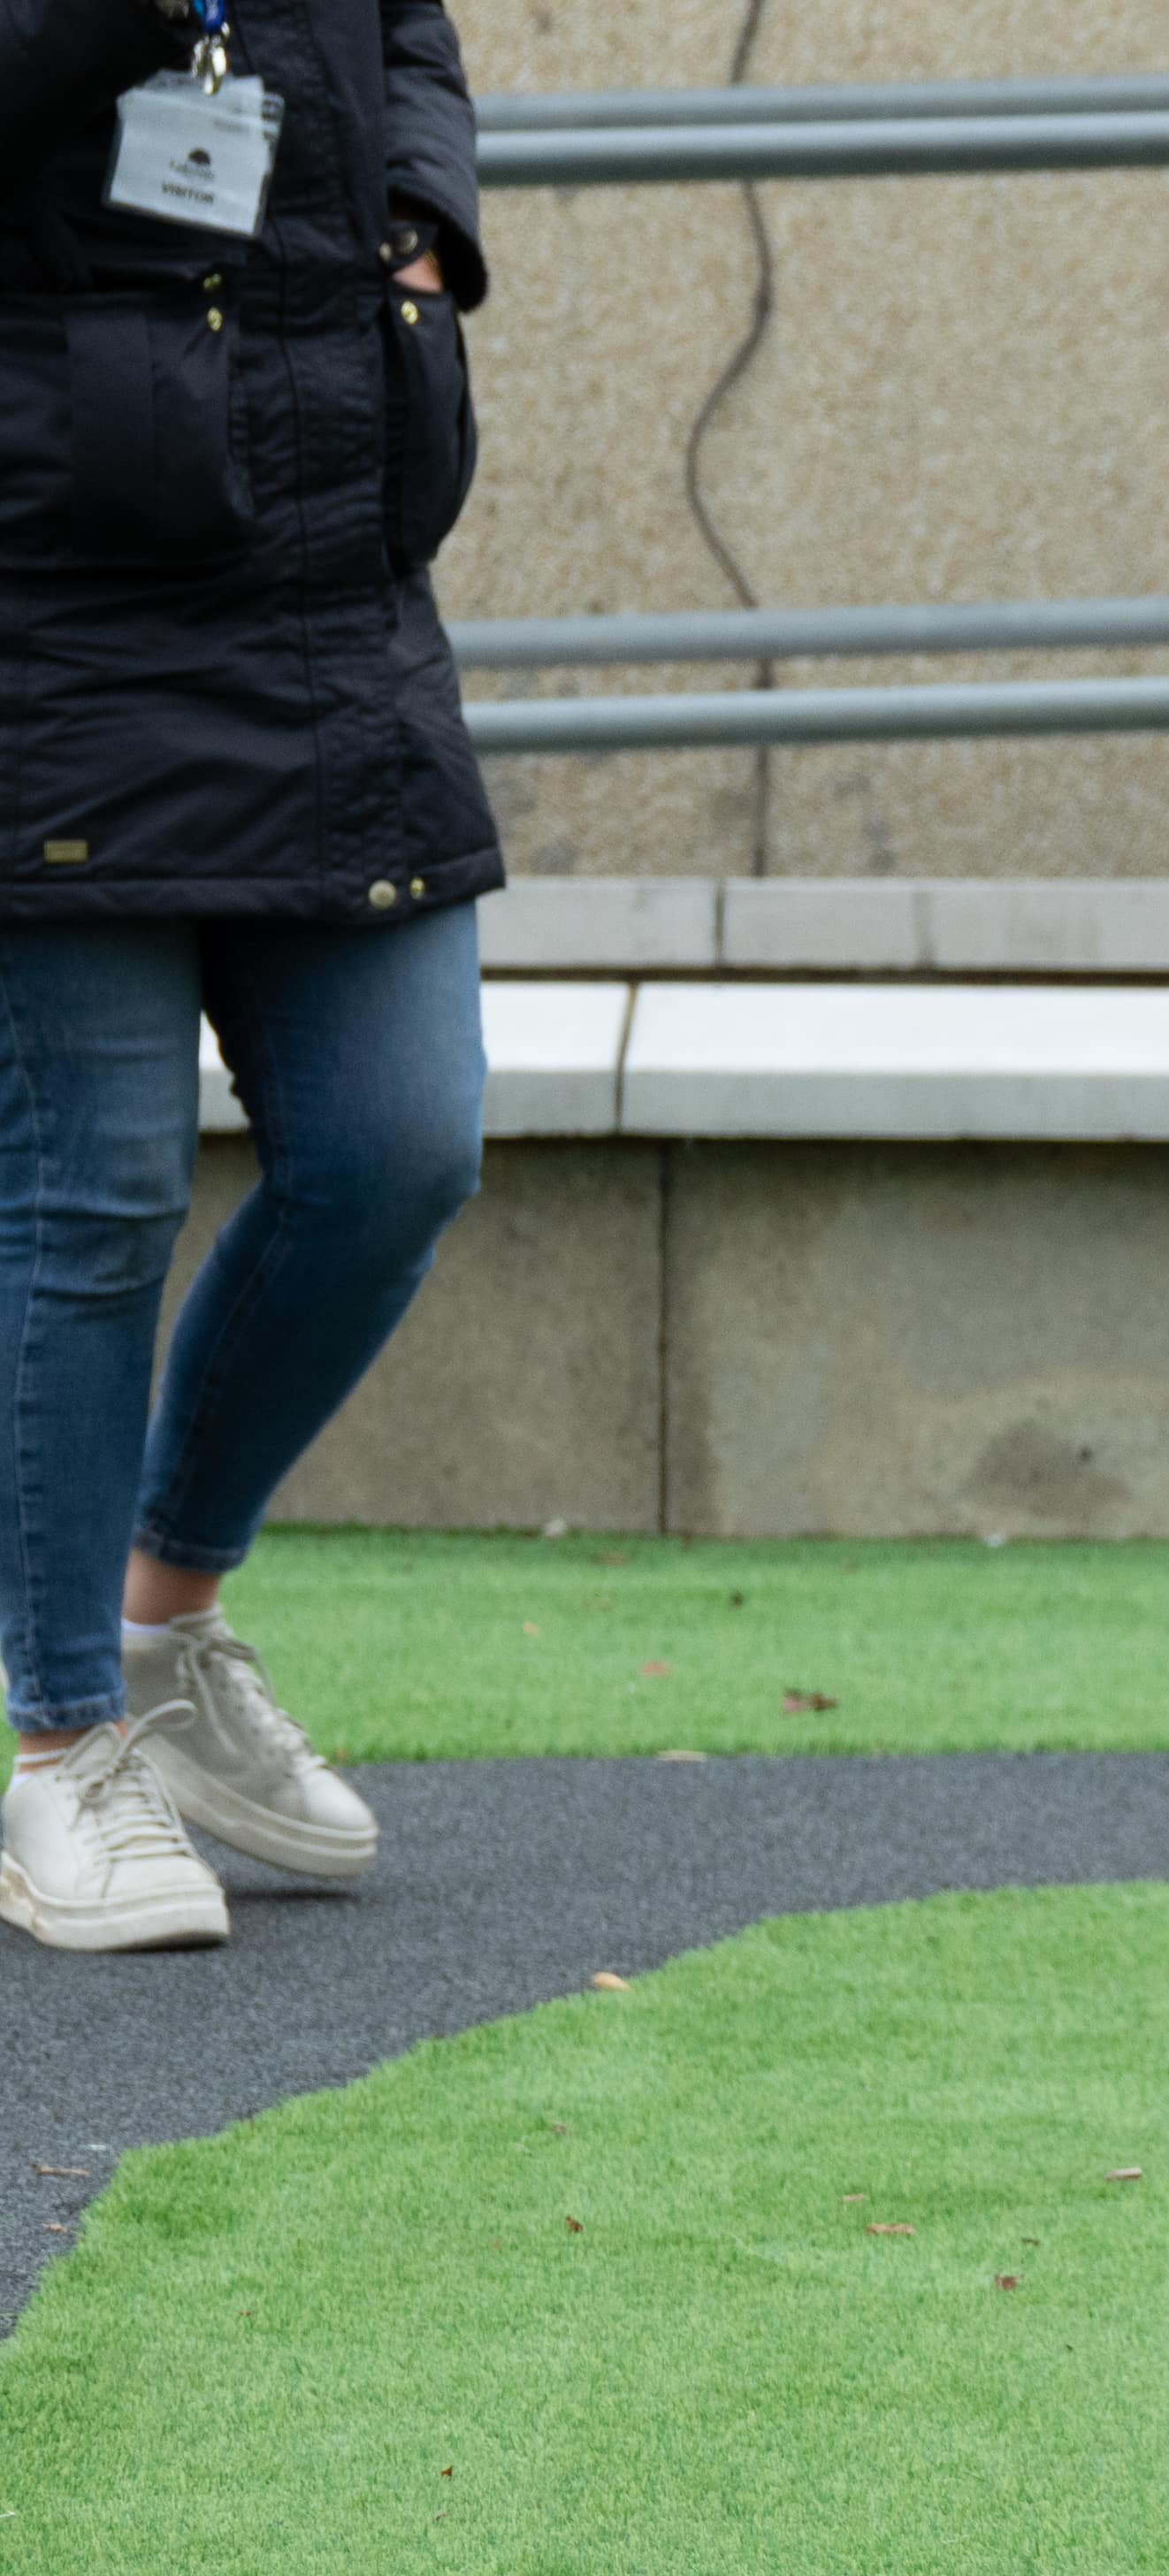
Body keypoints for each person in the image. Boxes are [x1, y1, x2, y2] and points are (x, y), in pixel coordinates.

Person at [0, 0, 499, 1953]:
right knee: (94, 1191)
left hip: (326, 586)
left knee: (397, 1142)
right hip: (51, 599)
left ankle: (167, 1625)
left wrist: (422, 225)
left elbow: (411, 36)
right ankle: (62, 1754)